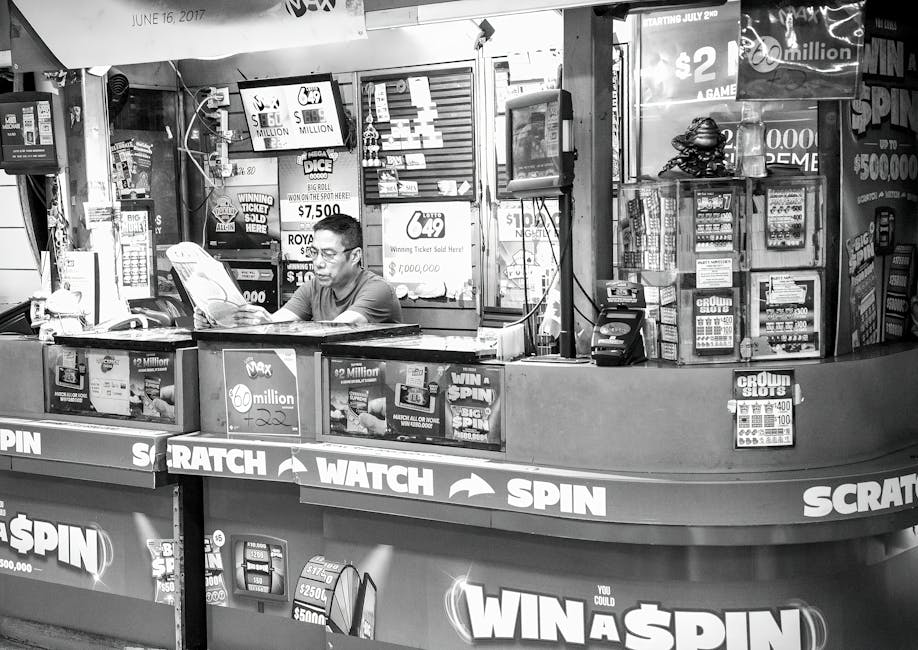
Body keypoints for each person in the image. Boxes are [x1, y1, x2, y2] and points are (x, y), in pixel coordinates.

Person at [222, 213, 402, 327]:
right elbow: (275, 322)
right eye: (314, 252)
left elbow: (339, 330)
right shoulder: (313, 287)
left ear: (355, 256)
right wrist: (254, 320)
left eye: (328, 254)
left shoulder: (378, 290)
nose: (318, 262)